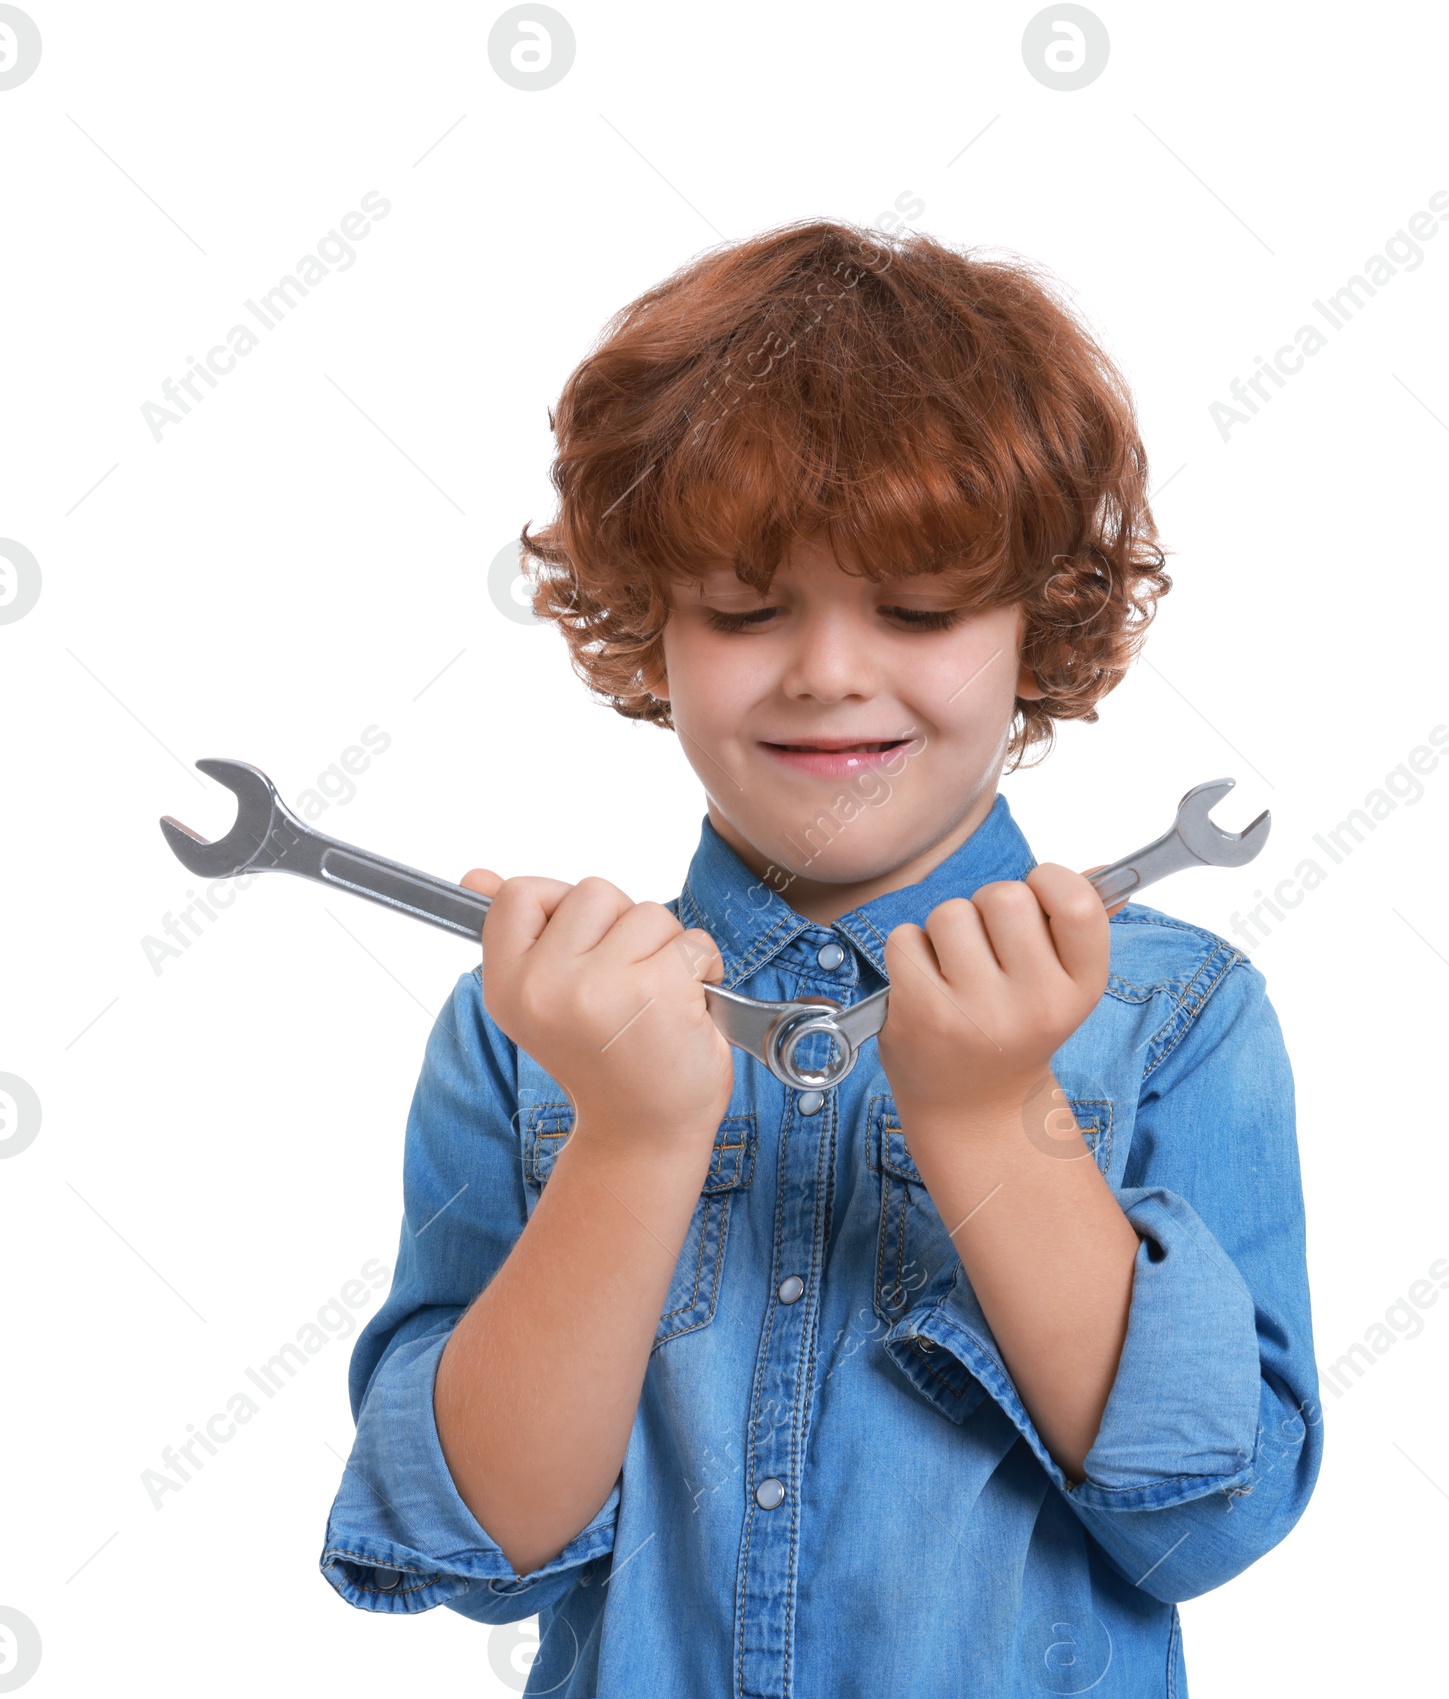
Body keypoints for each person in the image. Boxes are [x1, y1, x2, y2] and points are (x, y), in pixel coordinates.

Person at [319, 219, 1321, 1697]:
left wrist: (990, 1113)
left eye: (917, 609)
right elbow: (470, 1538)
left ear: (1038, 621)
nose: (827, 671)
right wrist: (636, 1131)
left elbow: (1205, 1521)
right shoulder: (531, 1028)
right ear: (648, 625)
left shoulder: (1169, 1014)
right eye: (742, 607)